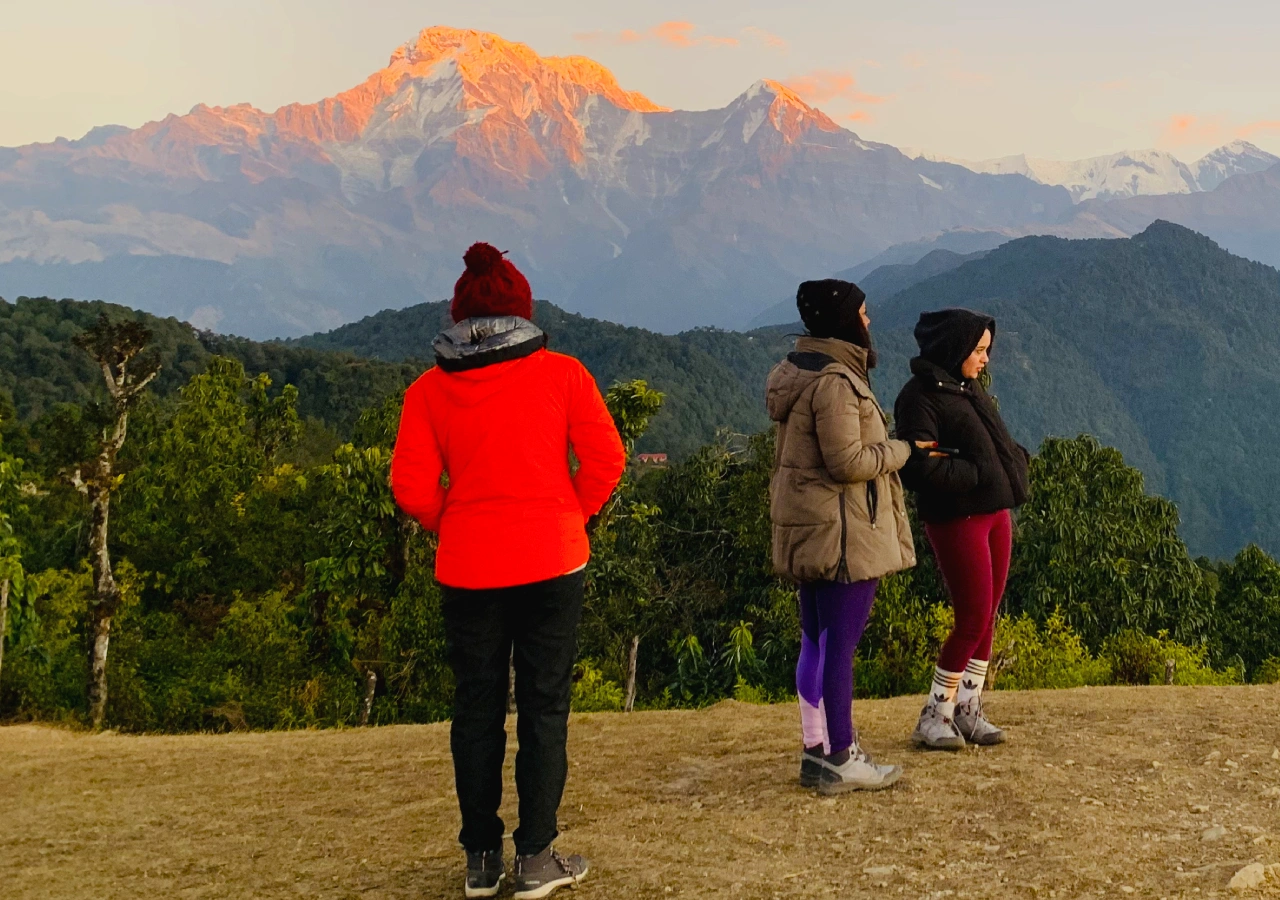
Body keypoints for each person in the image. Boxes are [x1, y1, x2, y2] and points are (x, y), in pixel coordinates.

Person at [391, 243, 626, 899]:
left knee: (476, 709)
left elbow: (410, 488)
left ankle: (480, 861)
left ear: (457, 317)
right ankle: (536, 857)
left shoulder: (429, 391)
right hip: (553, 559)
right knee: (544, 709)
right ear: (522, 311)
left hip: (467, 567)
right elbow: (606, 461)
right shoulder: (564, 375)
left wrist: (457, 523)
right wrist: (567, 517)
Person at [767, 279, 921, 794]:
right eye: (863, 311)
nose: (869, 320)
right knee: (840, 646)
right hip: (843, 533)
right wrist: (903, 451)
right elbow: (848, 462)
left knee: (816, 639)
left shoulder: (799, 371)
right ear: (844, 320)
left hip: (812, 528)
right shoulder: (836, 382)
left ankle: (816, 750)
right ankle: (841, 753)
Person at [893, 309, 1030, 750]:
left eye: (986, 350)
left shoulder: (966, 388)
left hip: (994, 514)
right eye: (978, 350)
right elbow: (919, 467)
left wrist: (1013, 461)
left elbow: (990, 444)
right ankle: (935, 714)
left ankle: (968, 708)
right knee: (971, 617)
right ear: (954, 348)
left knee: (986, 616)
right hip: (957, 519)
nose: (985, 359)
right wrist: (975, 475)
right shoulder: (919, 398)